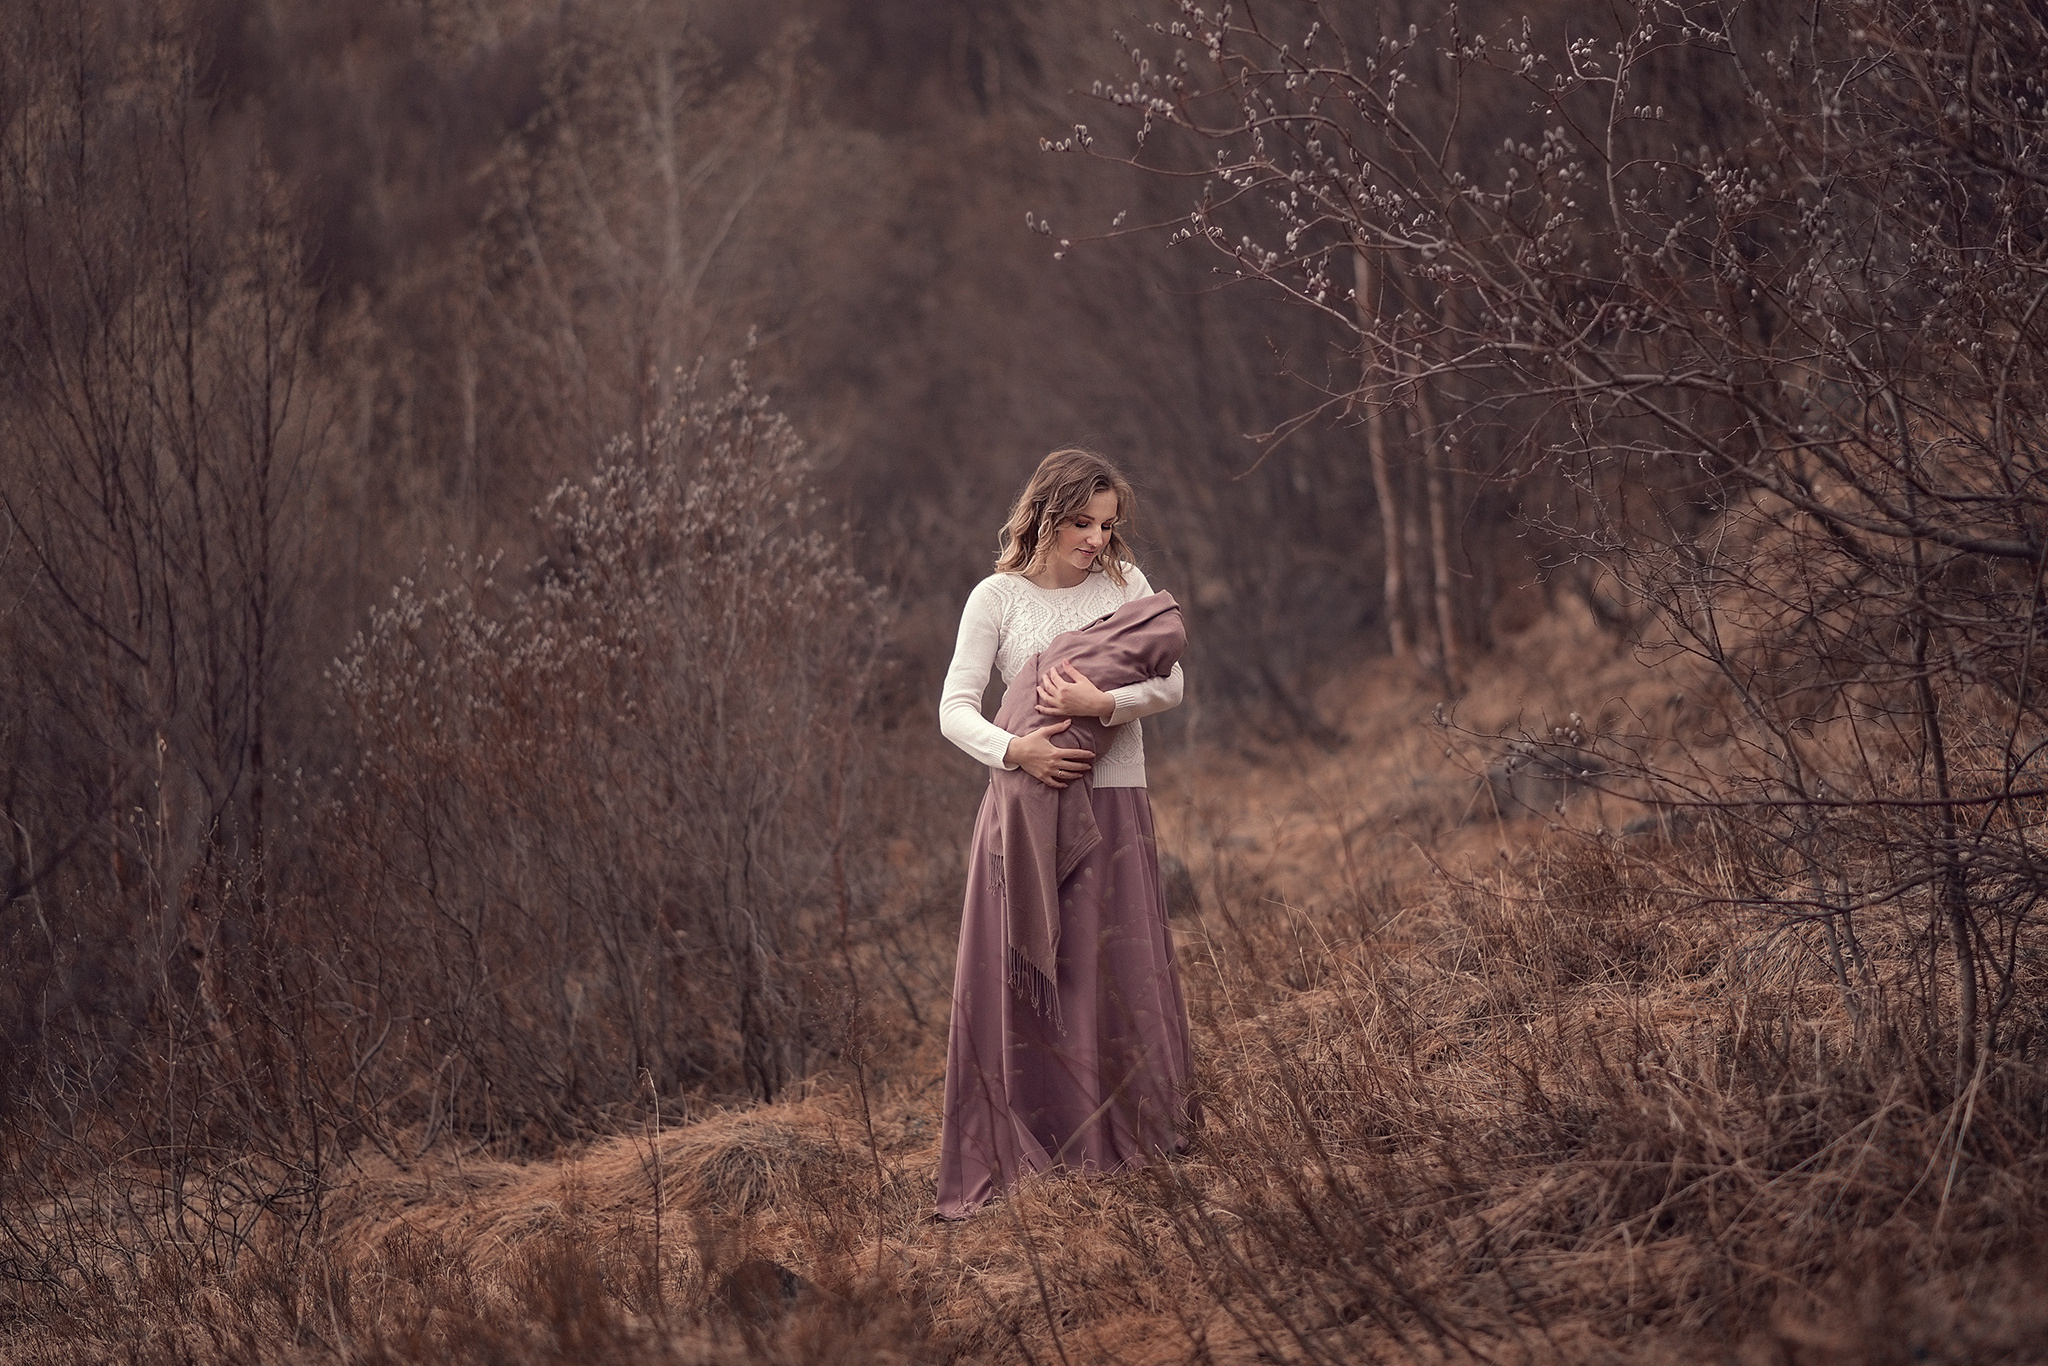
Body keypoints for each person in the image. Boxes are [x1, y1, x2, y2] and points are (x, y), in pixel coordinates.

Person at [935, 447, 1194, 1219]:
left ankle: (1126, 1139)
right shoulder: (997, 598)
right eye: (1082, 522)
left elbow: (1173, 684)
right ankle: (1043, 1142)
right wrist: (1016, 750)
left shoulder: (1125, 584)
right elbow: (953, 709)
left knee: (1115, 973)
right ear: (1046, 514)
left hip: (1116, 802)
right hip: (1028, 811)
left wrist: (1101, 705)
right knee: (1040, 987)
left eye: (1107, 526)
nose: (1096, 540)